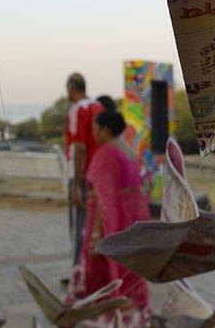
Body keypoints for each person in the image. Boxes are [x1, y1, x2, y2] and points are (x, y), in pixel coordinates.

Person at [72, 109, 150, 325]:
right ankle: (134, 310)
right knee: (132, 268)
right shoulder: (129, 149)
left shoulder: (106, 153)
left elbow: (103, 197)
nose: (94, 134)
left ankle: (111, 313)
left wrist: (97, 232)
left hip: (116, 218)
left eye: (96, 129)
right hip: (135, 217)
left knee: (109, 267)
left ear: (105, 130)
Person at [64, 73, 104, 266]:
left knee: (80, 224)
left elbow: (78, 147)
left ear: (71, 87)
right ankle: (94, 268)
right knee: (96, 223)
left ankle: (79, 270)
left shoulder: (76, 111)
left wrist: (76, 184)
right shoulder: (98, 107)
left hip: (82, 176)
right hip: (100, 175)